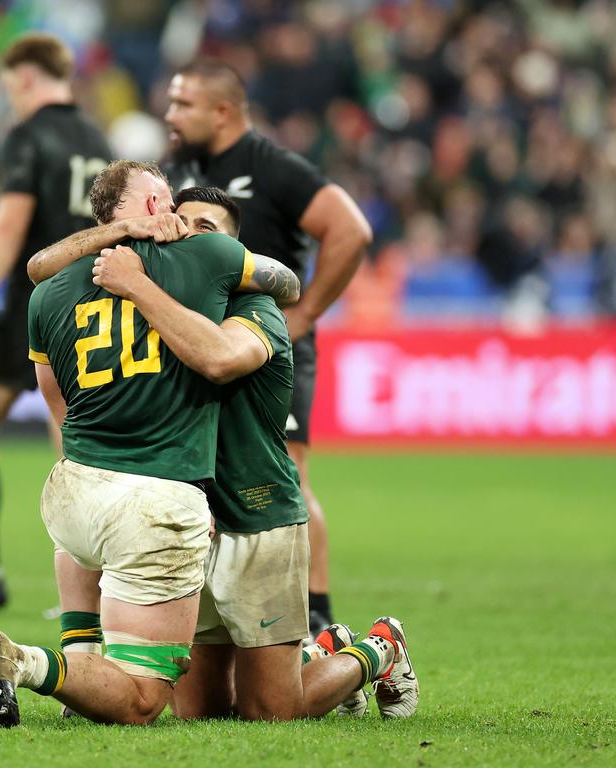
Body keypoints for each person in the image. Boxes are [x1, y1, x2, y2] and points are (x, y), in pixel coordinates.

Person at [43, 184, 417, 721]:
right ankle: (318, 651)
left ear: (232, 250)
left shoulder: (255, 310)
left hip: (256, 517)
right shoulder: (148, 310)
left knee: (271, 710)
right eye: (183, 222)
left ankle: (377, 649)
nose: (189, 236)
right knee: (204, 711)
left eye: (207, 230)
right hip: (185, 521)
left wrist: (139, 285)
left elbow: (217, 359)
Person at [0, 160, 302, 727]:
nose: (176, 219)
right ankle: (26, 664)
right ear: (149, 206)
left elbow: (56, 401)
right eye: (167, 202)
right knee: (147, 697)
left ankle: (80, 662)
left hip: (76, 488)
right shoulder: (205, 258)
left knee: (206, 700)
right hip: (160, 498)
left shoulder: (47, 294)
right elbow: (287, 284)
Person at [163, 59, 374, 633]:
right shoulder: (180, 168)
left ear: (223, 111)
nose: (170, 114)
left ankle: (320, 619)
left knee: (287, 476)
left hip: (268, 347)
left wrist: (302, 317)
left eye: (183, 104)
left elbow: (351, 230)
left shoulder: (272, 166)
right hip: (202, 343)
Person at [0, 34, 112, 613]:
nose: (10, 97)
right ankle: (102, 584)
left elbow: (9, 225)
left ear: (27, 78)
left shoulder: (28, 137)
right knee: (74, 440)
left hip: (33, 303)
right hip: (94, 303)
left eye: (10, 86)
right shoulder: (98, 138)